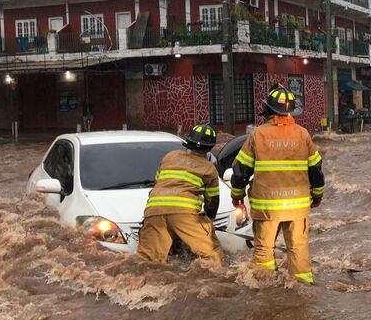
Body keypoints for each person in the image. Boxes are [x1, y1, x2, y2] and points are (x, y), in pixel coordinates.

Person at [230, 85, 324, 284]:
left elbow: (240, 171)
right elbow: (316, 169)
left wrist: (236, 196)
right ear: (290, 111)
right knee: (298, 249)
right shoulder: (303, 134)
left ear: (268, 110)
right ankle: (303, 289)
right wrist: (317, 194)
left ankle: (265, 292)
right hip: (297, 206)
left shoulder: (258, 135)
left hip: (267, 207)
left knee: (264, 250)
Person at [137, 123, 224, 264]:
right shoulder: (209, 168)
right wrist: (209, 221)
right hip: (185, 214)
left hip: (154, 210)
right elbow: (212, 200)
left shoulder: (169, 157)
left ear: (188, 142)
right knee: (212, 255)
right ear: (209, 148)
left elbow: (158, 182)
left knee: (147, 260)